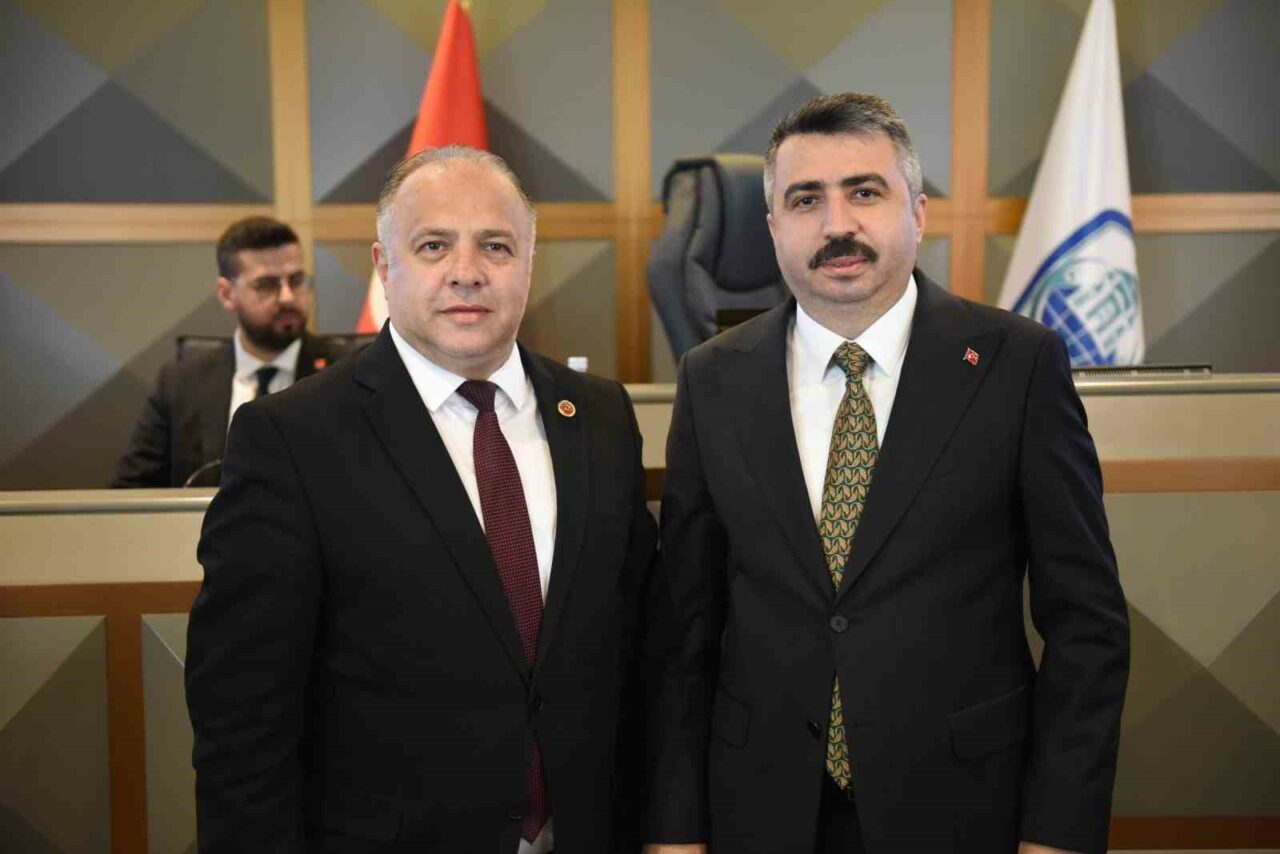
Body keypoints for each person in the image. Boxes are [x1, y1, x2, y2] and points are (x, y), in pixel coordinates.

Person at [644, 93, 1129, 854]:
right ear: (774, 228)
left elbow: (1087, 622)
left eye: (865, 192)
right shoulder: (711, 379)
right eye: (806, 200)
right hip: (761, 808)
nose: (837, 224)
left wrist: (1058, 832)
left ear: (918, 212)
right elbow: (684, 630)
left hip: (963, 807)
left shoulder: (1018, 365)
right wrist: (674, 830)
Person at [185, 146, 657, 853]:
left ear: (529, 262)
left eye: (496, 245)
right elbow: (240, 712)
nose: (467, 271)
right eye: (434, 245)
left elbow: (642, 648)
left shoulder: (600, 416)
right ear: (384, 265)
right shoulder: (291, 437)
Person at [111, 216, 350, 487]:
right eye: (266, 285)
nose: (287, 297)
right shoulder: (180, 383)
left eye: (295, 281)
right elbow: (130, 491)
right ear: (226, 294)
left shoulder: (346, 374)